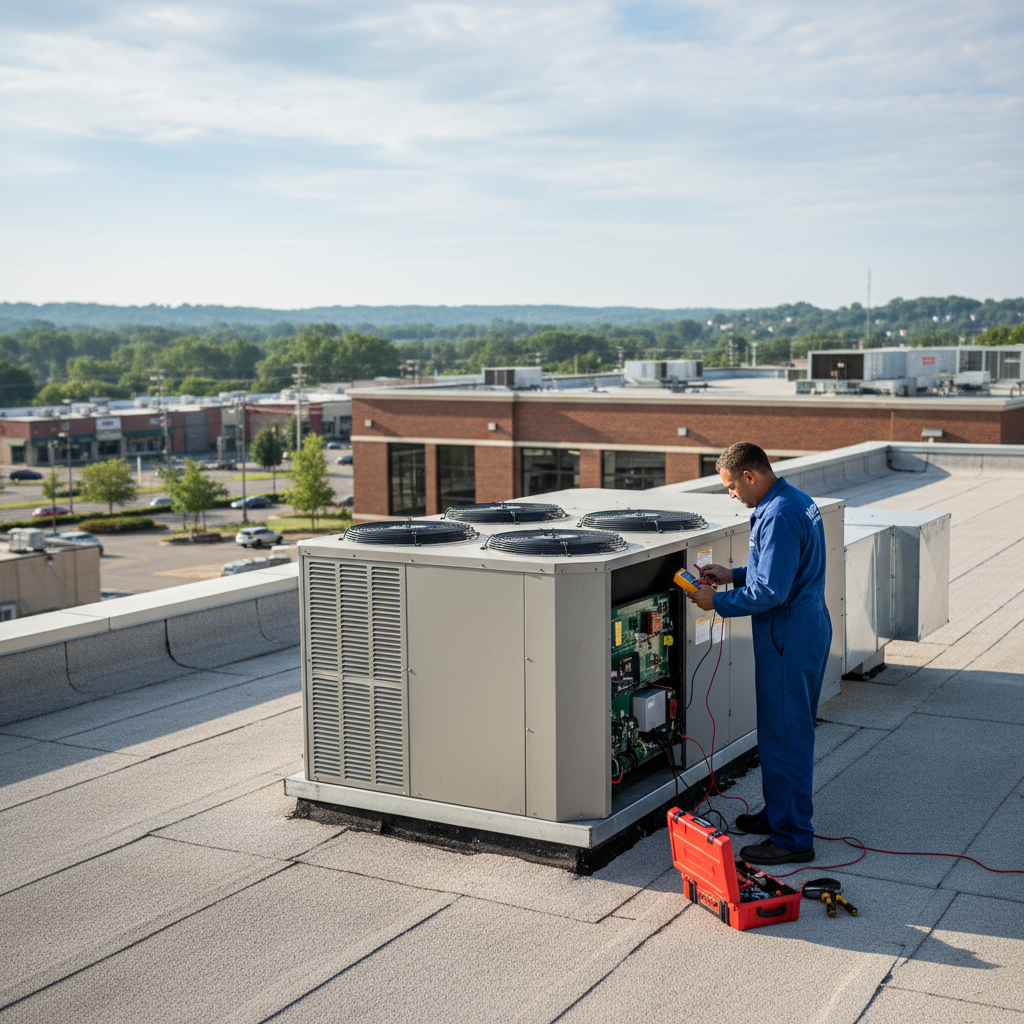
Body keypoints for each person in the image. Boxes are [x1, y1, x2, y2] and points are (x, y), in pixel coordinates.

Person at [685, 441, 831, 865]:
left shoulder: (780, 514)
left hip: (787, 634)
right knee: (788, 730)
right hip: (807, 626)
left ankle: (793, 838)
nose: (731, 495)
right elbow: (780, 567)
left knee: (785, 736)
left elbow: (771, 590)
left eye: (731, 486)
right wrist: (733, 575)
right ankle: (781, 814)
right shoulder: (794, 501)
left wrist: (718, 603)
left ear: (750, 475)